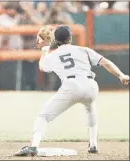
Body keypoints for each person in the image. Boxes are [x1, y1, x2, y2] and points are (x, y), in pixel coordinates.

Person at [14, 25, 129, 156]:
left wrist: (45, 49)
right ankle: (93, 145)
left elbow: (42, 66)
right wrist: (121, 75)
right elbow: (106, 63)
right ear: (70, 38)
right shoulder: (84, 50)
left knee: (44, 117)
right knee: (90, 108)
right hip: (91, 85)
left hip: (71, 85)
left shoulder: (53, 55)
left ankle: (33, 146)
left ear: (55, 40)